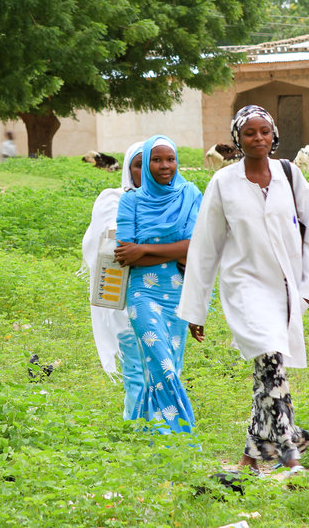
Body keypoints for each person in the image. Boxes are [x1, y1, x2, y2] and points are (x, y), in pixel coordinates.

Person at [178, 105, 309, 474]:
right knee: (272, 362)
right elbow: (204, 247)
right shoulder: (224, 183)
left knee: (267, 370)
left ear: (273, 135)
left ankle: (250, 455)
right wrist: (195, 310)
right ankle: (290, 449)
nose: (258, 138)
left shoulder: (291, 176)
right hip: (244, 287)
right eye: (249, 133)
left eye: (264, 131)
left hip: (285, 288)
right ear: (237, 139)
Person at [115, 135, 202, 433]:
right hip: (142, 295)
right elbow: (125, 254)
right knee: (162, 365)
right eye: (156, 160)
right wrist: (174, 249)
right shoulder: (131, 201)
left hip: (178, 293)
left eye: (170, 159)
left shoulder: (190, 194)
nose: (164, 166)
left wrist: (145, 250)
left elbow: (196, 248)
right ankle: (179, 432)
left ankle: (146, 429)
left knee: (168, 367)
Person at [81, 141, 146, 418]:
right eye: (140, 164)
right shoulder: (114, 199)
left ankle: (163, 429)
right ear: (128, 168)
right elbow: (116, 243)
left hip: (167, 294)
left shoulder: (179, 199)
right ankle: (137, 428)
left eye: (162, 161)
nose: (154, 170)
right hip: (125, 293)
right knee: (135, 366)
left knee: (165, 367)